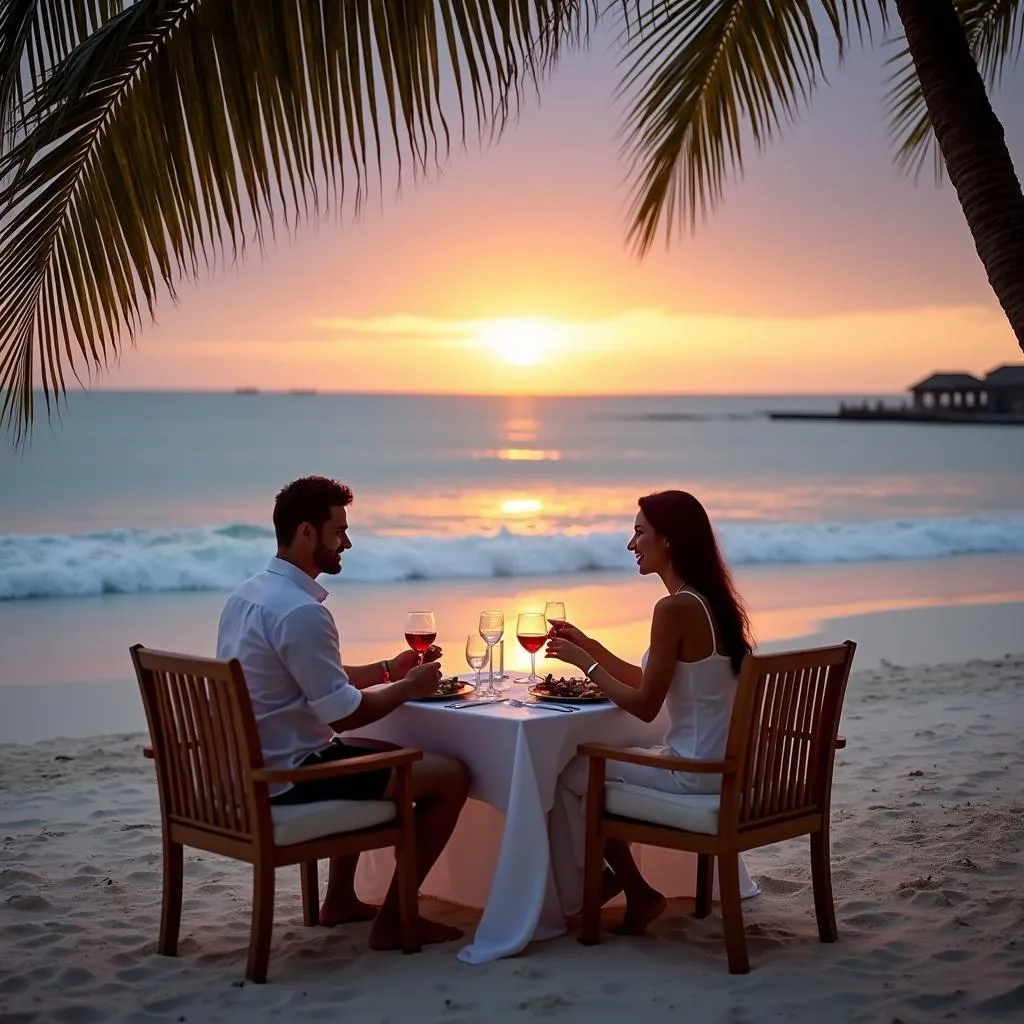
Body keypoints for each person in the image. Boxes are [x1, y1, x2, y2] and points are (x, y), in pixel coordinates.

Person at [216, 475, 470, 950]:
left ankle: (340, 901)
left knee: (376, 751)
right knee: (452, 774)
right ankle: (396, 919)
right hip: (287, 780)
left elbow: (314, 676)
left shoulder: (250, 594)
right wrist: (409, 685)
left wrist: (387, 669)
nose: (347, 542)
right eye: (339, 531)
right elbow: (345, 714)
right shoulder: (301, 612)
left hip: (242, 771)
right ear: (307, 532)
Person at [545, 489, 754, 934]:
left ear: (669, 540)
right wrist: (588, 644)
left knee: (571, 774)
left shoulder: (674, 608)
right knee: (593, 766)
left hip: (694, 773)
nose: (630, 543)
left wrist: (584, 664)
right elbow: (650, 679)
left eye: (639, 532)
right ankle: (634, 891)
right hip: (720, 769)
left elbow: (644, 706)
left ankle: (613, 885)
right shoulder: (710, 602)